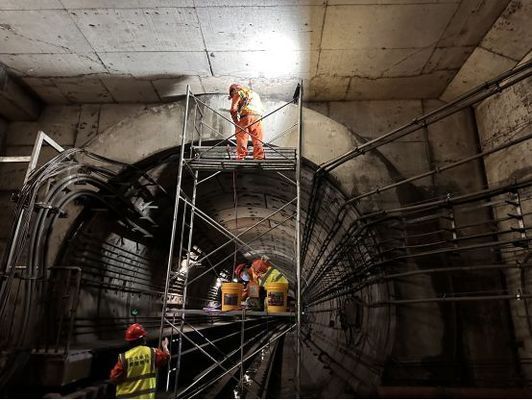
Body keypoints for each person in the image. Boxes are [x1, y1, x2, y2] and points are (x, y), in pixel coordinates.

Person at [110, 323, 170, 399]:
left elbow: (114, 378)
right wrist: (165, 347)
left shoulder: (124, 357)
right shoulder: (152, 352)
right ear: (142, 339)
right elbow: (165, 358)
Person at [228, 83, 265, 160]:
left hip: (246, 116)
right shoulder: (254, 94)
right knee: (257, 139)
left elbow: (233, 109)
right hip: (258, 117)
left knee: (241, 137)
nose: (233, 96)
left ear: (234, 90)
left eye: (232, 95)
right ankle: (258, 157)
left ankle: (241, 157)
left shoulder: (238, 92)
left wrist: (236, 122)